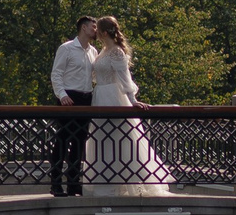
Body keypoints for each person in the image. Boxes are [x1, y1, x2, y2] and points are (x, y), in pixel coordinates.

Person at [85, 16, 170, 196]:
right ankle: (106, 184)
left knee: (119, 137)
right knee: (102, 139)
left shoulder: (116, 52)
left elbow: (124, 76)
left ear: (104, 32)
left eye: (97, 30)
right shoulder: (103, 50)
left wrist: (132, 100)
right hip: (100, 95)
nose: (95, 33)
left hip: (112, 97)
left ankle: (123, 182)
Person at [48, 16, 99, 196]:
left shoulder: (93, 51)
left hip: (86, 98)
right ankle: (55, 183)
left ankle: (73, 182)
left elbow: (94, 77)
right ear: (83, 28)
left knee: (79, 141)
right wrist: (62, 95)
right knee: (62, 141)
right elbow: (56, 74)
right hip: (69, 97)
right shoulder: (67, 48)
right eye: (93, 27)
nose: (96, 30)